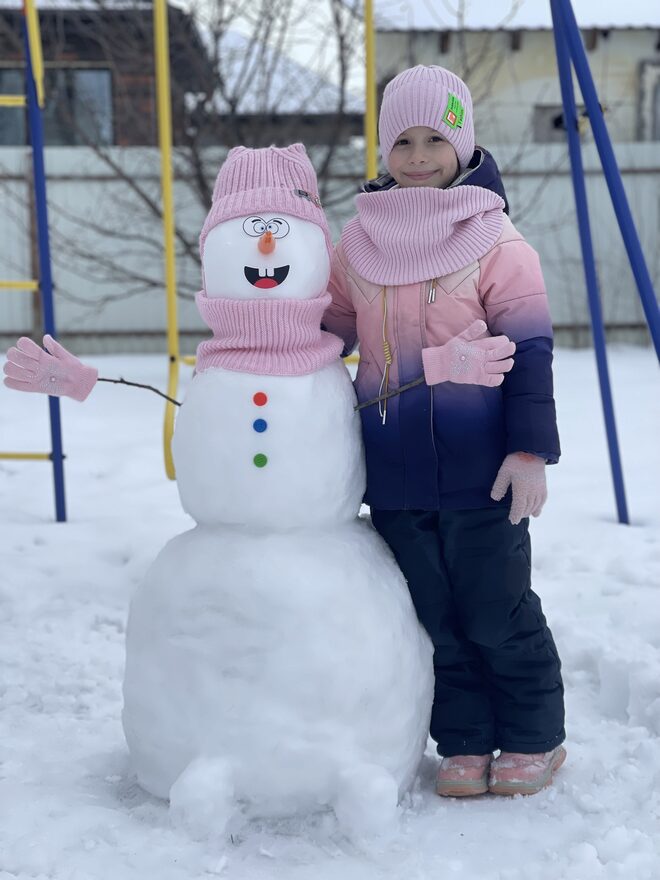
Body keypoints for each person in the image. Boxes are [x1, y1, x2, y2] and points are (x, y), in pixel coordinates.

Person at [323, 65, 566, 797]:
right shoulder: (359, 245)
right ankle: (464, 740)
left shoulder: (495, 240)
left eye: (436, 138)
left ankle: (533, 738)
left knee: (495, 610)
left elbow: (530, 352)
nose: (419, 155)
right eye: (403, 140)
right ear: (384, 151)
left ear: (463, 144)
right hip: (395, 471)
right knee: (437, 617)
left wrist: (528, 452)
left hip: (481, 466)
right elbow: (330, 331)